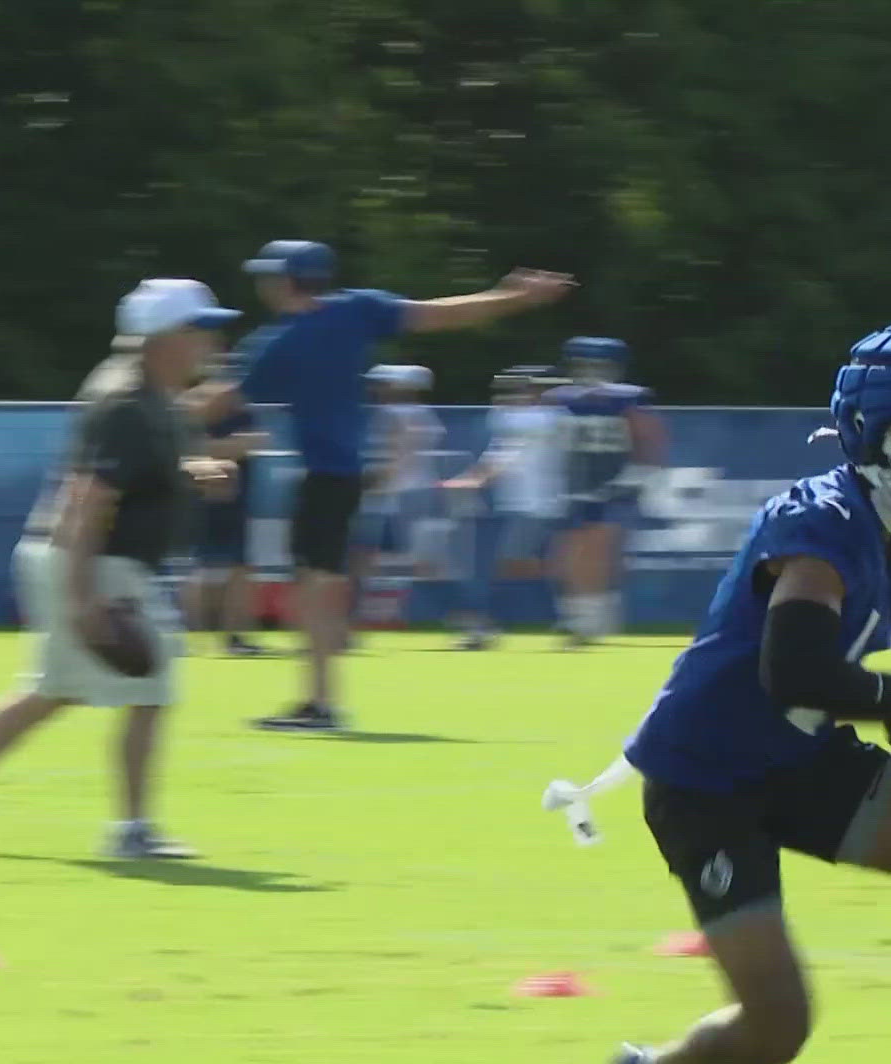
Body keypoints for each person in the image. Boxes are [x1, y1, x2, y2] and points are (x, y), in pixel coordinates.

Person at [609, 321, 891, 1064]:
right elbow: (794, 672)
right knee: (777, 1029)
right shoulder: (822, 519)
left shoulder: (878, 530)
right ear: (872, 428)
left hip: (796, 754)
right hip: (707, 780)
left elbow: (812, 690)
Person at [0, 279, 240, 858]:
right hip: (91, 559)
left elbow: (139, 473)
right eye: (201, 327)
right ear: (168, 337)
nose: (212, 340)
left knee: (55, 690)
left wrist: (193, 472)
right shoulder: (128, 403)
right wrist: (83, 600)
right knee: (151, 687)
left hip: (91, 558)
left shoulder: (153, 397)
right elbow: (86, 502)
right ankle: (132, 832)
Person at [197, 240, 573, 730]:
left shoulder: (278, 342)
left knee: (316, 588)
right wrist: (512, 298)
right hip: (347, 475)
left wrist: (144, 403)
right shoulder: (358, 310)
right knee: (323, 584)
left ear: (283, 281)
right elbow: (440, 315)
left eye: (267, 277)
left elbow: (218, 401)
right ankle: (321, 700)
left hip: (324, 478)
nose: (262, 286)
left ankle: (321, 702)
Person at [547, 336, 666, 647]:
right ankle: (576, 616)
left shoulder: (628, 400)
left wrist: (637, 474)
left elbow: (648, 437)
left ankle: (593, 620)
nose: (590, 370)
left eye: (597, 364)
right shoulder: (560, 399)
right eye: (584, 363)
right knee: (569, 551)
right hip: (573, 481)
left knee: (599, 550)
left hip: (614, 478)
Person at [443, 364, 564, 649]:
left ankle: (481, 626)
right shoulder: (547, 417)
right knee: (511, 565)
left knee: (499, 566)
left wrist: (470, 481)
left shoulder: (534, 418)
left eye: (520, 388)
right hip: (530, 503)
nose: (512, 395)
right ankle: (568, 614)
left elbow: (502, 457)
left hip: (529, 504)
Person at [349, 364, 444, 628]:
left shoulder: (398, 413)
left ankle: (376, 613)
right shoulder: (424, 414)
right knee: (391, 558)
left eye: (383, 383)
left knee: (372, 555)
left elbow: (401, 452)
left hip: (394, 495)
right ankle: (379, 612)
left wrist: (374, 483)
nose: (376, 389)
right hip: (405, 493)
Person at [193, 382, 271, 656]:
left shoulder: (244, 415)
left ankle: (235, 636)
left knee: (241, 568)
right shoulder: (194, 412)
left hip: (237, 504)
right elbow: (196, 449)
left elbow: (254, 443)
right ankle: (195, 636)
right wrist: (230, 448)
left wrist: (226, 448)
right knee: (200, 571)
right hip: (201, 503)